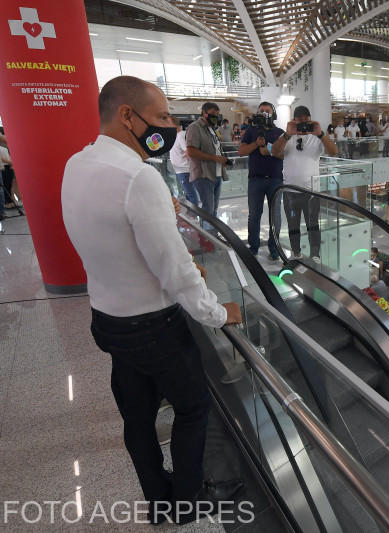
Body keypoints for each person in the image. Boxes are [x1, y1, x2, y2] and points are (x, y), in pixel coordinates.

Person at [61, 76, 244, 525]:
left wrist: (162, 219)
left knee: (137, 417)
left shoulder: (77, 164)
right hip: (154, 327)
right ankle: (188, 501)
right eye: (161, 116)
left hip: (108, 319)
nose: (169, 126)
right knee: (193, 408)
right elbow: (176, 271)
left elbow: (109, 237)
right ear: (128, 115)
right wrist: (218, 313)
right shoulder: (138, 177)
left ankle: (158, 501)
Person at [271, 105, 338, 260]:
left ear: (311, 120)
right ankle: (296, 252)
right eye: (299, 121)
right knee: (293, 224)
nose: (303, 125)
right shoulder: (286, 137)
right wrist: (287, 134)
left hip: (311, 192)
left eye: (306, 121)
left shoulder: (317, 138)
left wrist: (320, 134)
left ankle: (315, 254)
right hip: (290, 192)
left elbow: (334, 152)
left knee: (313, 224)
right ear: (293, 121)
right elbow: (274, 152)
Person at [239, 102, 285, 258]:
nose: (264, 113)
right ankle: (253, 247)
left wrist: (269, 150)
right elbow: (241, 151)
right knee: (254, 215)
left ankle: (274, 248)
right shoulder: (251, 131)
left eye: (267, 110)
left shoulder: (279, 133)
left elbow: (285, 154)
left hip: (275, 179)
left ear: (273, 113)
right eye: (261, 110)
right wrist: (256, 144)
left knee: (275, 216)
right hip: (255, 180)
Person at [186, 102, 228, 223]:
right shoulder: (195, 127)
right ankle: (206, 234)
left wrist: (223, 159)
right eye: (213, 114)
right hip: (204, 175)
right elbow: (191, 151)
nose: (216, 117)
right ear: (204, 114)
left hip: (216, 173)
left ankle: (212, 233)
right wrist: (215, 158)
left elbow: (215, 148)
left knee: (213, 210)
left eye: (218, 114)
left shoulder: (212, 129)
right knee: (208, 210)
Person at [169, 118, 198, 206]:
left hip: (184, 170)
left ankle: (194, 213)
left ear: (173, 125)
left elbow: (188, 152)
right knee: (188, 194)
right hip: (181, 170)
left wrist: (193, 166)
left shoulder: (180, 136)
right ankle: (191, 212)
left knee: (191, 194)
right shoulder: (177, 135)